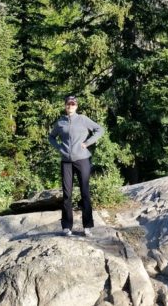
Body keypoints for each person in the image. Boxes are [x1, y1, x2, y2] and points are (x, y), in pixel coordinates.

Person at [48, 95, 104, 237]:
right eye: (68, 104)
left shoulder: (83, 119)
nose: (70, 106)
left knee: (85, 193)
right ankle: (67, 226)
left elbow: (100, 130)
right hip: (66, 161)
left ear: (76, 106)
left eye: (73, 104)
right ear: (65, 105)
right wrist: (59, 148)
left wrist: (87, 143)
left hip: (82, 160)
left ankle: (87, 227)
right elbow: (51, 137)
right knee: (67, 194)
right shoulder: (61, 122)